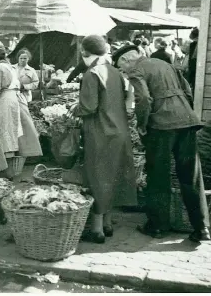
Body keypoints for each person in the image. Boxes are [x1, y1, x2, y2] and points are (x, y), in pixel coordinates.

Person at [112, 44, 211, 242]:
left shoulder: (136, 70)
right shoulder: (164, 63)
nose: (124, 72)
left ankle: (157, 226)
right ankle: (201, 228)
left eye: (121, 68)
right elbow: (187, 90)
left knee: (158, 176)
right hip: (187, 121)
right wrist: (184, 111)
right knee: (191, 175)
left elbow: (145, 100)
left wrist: (142, 124)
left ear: (125, 60)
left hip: (161, 127)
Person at [71, 35, 136, 244]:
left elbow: (89, 107)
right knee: (114, 176)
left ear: (86, 53)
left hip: (101, 132)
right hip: (120, 132)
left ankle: (97, 230)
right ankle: (107, 224)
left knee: (98, 177)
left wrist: (75, 108)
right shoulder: (116, 72)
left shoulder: (92, 73)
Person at [0, 42, 42, 179]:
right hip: (14, 99)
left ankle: (6, 169)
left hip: (5, 100)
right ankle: (10, 168)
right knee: (12, 132)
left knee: (3, 131)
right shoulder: (10, 67)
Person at [187, 27, 199, 92]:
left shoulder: (192, 45)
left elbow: (191, 59)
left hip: (193, 68)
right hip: (194, 67)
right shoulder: (193, 45)